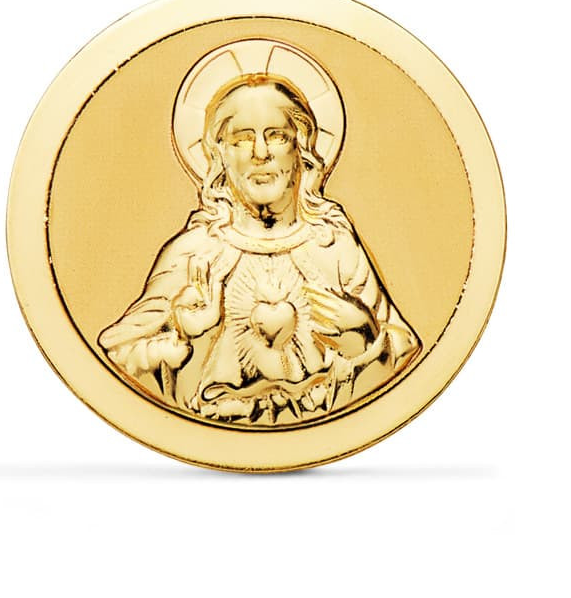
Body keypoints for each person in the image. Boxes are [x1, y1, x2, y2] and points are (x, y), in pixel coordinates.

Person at [99, 45, 419, 425]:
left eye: (277, 136)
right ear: (219, 155)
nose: (261, 153)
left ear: (301, 149)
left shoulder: (333, 248)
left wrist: (362, 334)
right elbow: (120, 361)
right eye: (241, 139)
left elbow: (402, 359)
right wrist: (186, 335)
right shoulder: (195, 254)